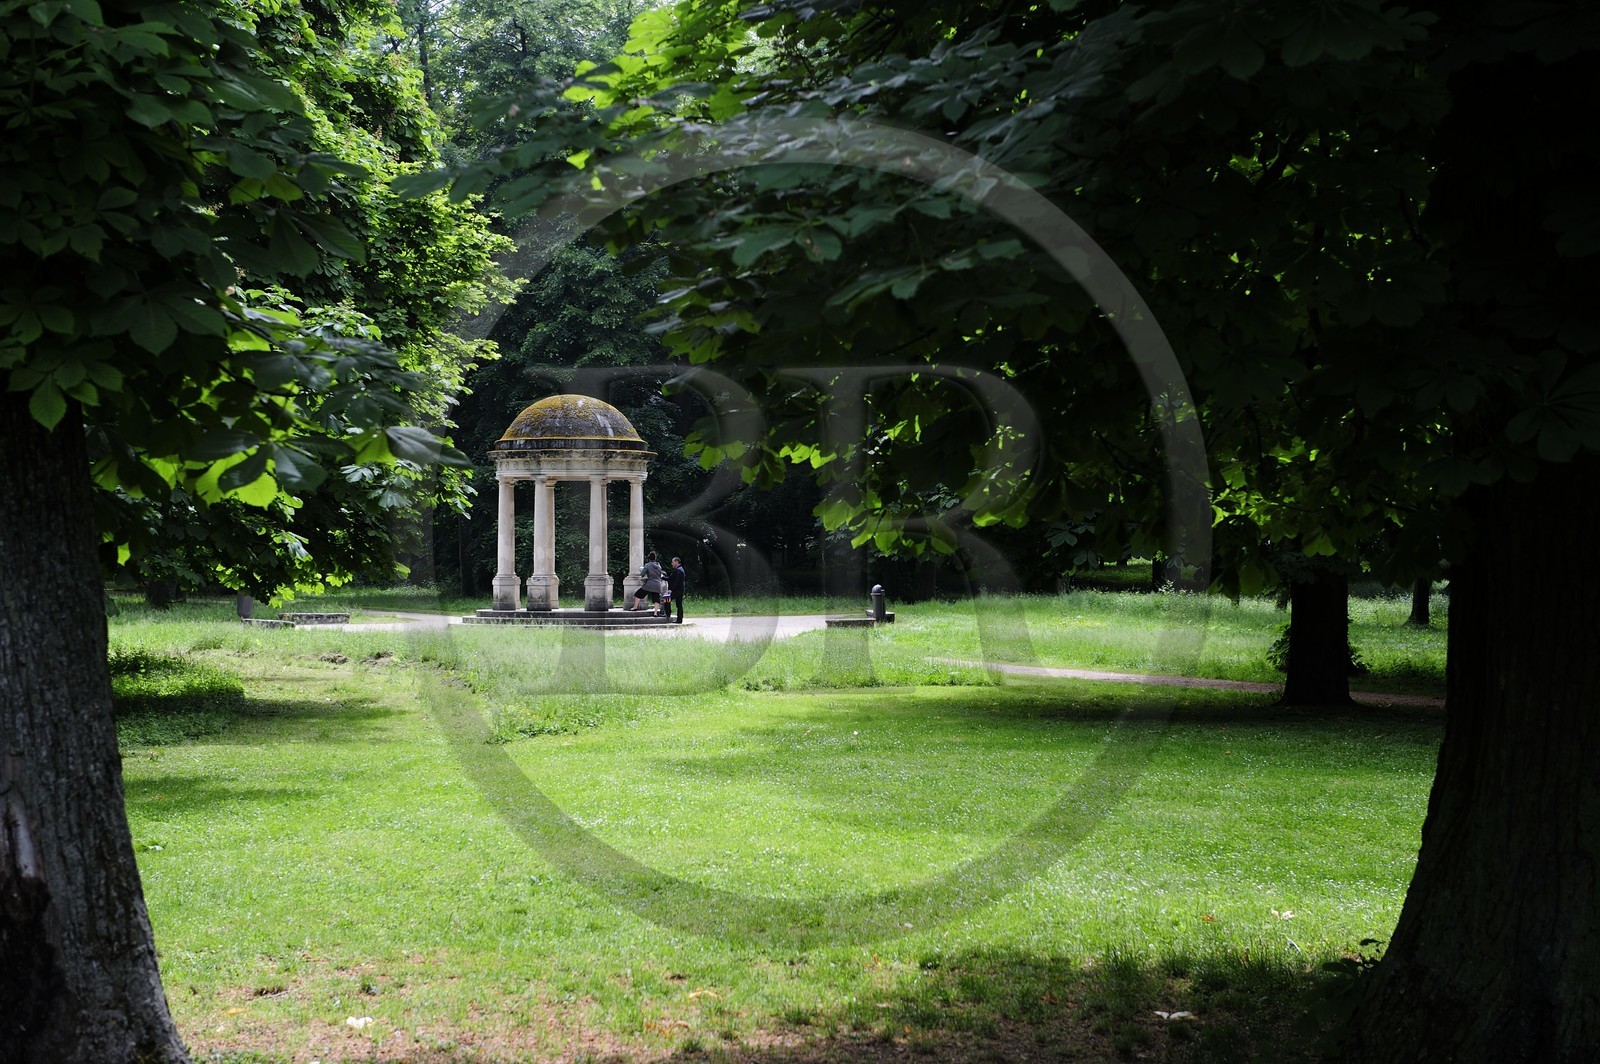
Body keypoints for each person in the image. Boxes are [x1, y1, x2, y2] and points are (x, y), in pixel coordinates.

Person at [666, 556, 686, 624]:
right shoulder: (679, 569)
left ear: (676, 562)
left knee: (666, 599)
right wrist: (662, 577)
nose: (672, 563)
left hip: (677, 591)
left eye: (673, 562)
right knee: (679, 605)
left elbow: (676, 582)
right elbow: (670, 578)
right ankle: (679, 619)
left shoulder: (678, 570)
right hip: (679, 590)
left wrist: (671, 590)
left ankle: (667, 614)